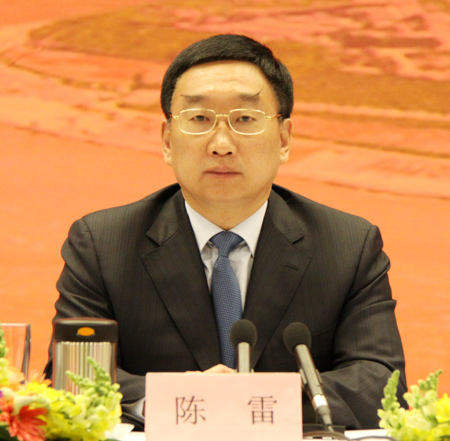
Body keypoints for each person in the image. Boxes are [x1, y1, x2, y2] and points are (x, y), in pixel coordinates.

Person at [44, 34, 407, 431]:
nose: (221, 144)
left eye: (245, 119)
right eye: (199, 119)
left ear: (283, 139)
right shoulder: (103, 243)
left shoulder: (348, 245)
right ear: (167, 140)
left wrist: (252, 402)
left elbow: (381, 384)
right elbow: (72, 377)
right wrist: (178, 399)